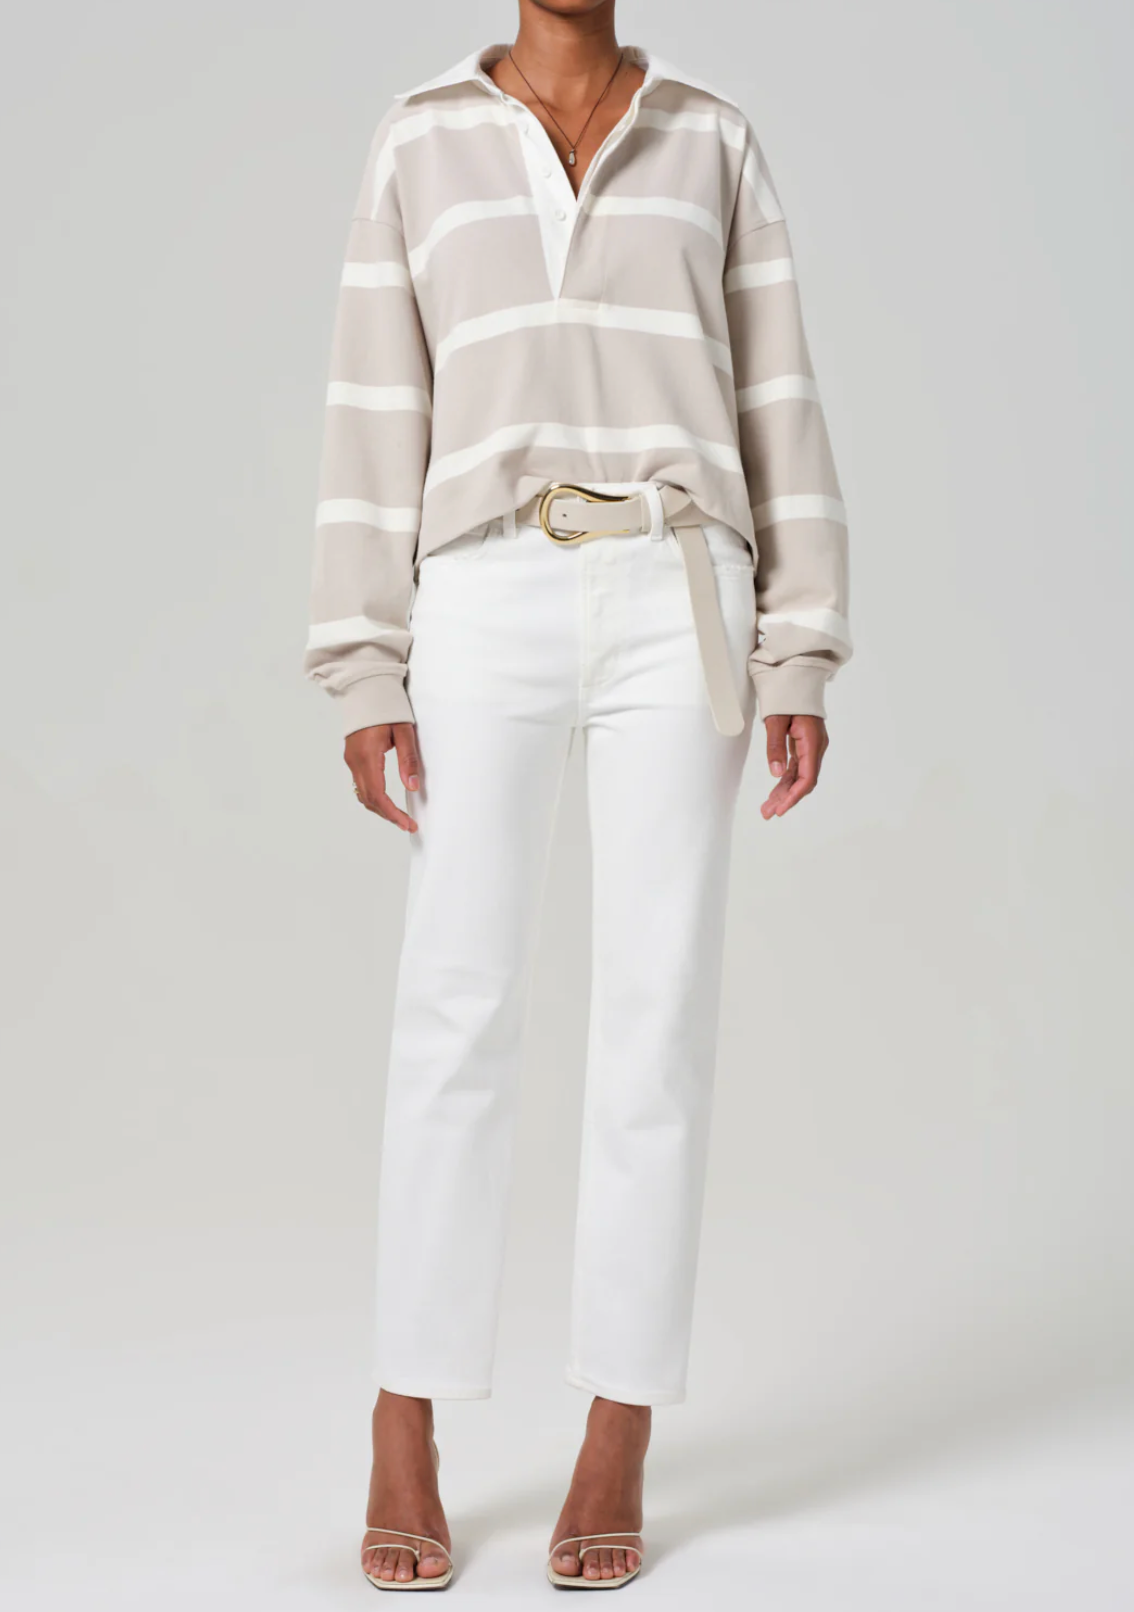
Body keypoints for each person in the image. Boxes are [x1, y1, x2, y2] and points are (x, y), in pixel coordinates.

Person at [303, 0, 851, 1591]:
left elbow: (778, 397)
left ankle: (618, 1423)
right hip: (482, 588)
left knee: (654, 1014)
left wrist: (799, 646)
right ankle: (403, 1415)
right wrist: (364, 661)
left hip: (680, 590)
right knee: (453, 1005)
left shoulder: (710, 138)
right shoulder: (421, 137)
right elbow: (371, 404)